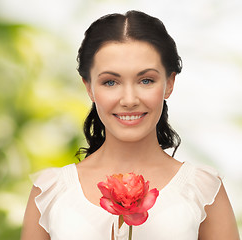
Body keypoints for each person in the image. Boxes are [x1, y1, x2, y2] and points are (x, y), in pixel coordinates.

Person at [21, 10, 240, 240]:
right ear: (89, 87)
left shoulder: (204, 190)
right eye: (110, 82)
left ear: (169, 83)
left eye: (146, 80)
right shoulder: (50, 192)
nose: (129, 100)